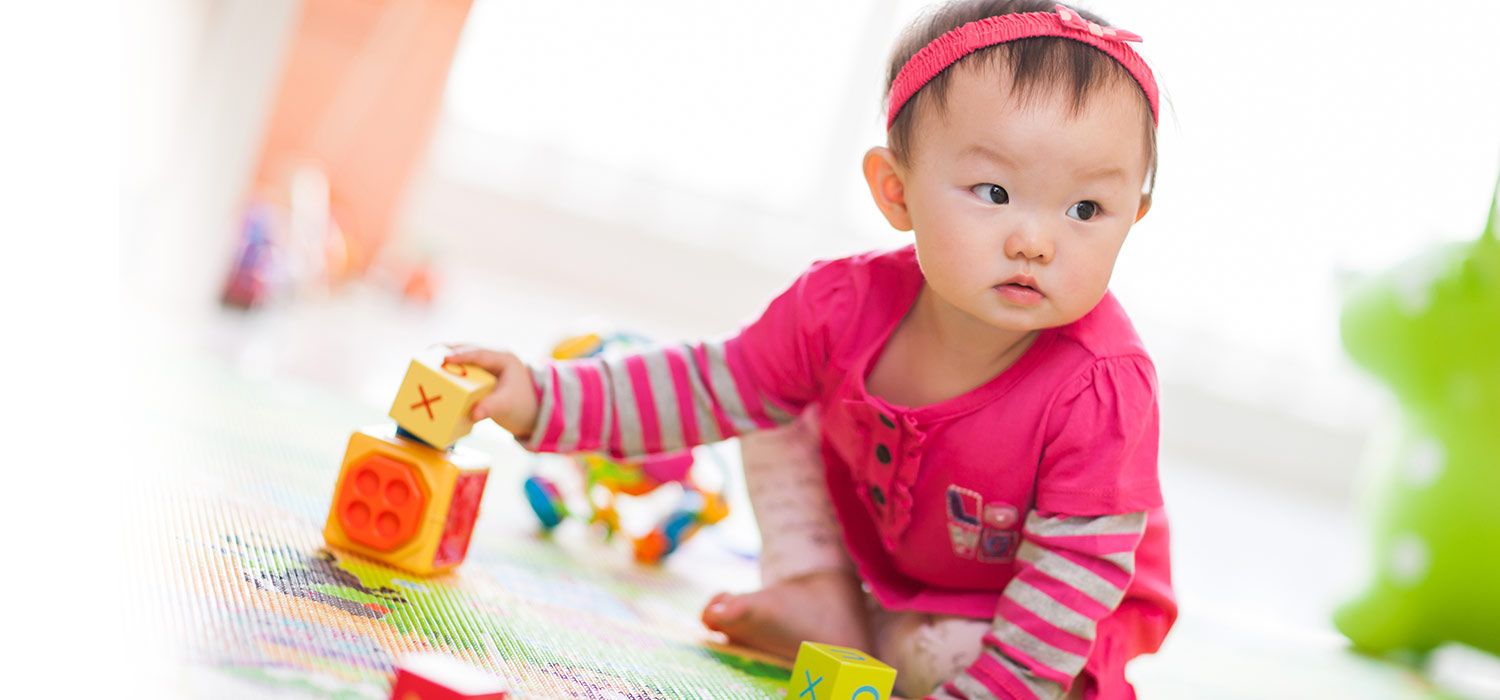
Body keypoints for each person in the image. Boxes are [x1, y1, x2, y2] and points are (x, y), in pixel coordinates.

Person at [448, 2, 1175, 696]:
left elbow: (1068, 587)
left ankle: (886, 637)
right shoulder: (838, 308)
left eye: (1086, 209)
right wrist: (542, 397)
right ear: (896, 191)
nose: (1035, 240)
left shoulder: (1102, 387)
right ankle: (817, 590)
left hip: (1024, 616)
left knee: (940, 663)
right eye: (993, 191)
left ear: (1133, 219)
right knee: (768, 390)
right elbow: (708, 386)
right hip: (887, 562)